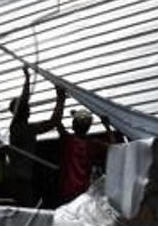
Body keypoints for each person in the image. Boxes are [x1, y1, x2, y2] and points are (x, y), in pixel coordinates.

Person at [7, 67, 66, 206]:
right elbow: (52, 122)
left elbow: (24, 99)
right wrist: (60, 100)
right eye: (27, 108)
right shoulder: (24, 129)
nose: (29, 109)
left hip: (17, 176)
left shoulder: (15, 126)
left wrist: (27, 79)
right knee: (26, 210)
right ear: (24, 112)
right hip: (21, 179)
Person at [56, 108, 114, 203]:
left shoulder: (68, 140)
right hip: (84, 191)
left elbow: (57, 121)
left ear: (74, 125)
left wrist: (61, 98)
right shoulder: (92, 144)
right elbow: (114, 146)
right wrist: (107, 126)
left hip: (67, 191)